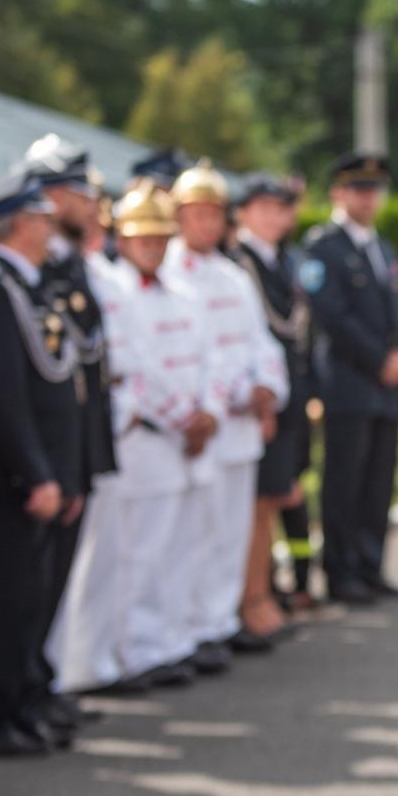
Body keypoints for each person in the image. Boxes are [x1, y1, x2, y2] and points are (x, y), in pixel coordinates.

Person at [0, 171, 84, 756]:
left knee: (28, 595)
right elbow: (1, 396)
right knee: (4, 599)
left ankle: (24, 700)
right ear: (23, 224)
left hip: (33, 470)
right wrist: (36, 474)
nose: (51, 228)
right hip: (7, 473)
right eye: (44, 218)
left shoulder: (19, 284)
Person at [101, 181, 222, 691]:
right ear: (123, 243)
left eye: (158, 238)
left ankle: (171, 641)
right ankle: (137, 650)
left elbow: (208, 359)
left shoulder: (188, 296)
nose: (151, 247)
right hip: (146, 441)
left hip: (185, 442)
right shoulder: (117, 295)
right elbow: (136, 370)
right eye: (141, 239)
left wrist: (208, 413)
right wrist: (182, 419)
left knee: (181, 548)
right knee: (140, 555)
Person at [165, 162, 289, 662]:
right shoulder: (169, 275)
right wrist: (230, 397)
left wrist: (266, 387)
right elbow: (189, 355)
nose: (207, 226)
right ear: (178, 217)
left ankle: (219, 621)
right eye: (197, 215)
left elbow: (261, 344)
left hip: (238, 429)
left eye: (214, 215)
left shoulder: (234, 276)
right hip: (198, 429)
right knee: (190, 535)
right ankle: (186, 629)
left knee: (229, 533)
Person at [16, 135, 118, 729]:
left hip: (71, 443)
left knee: (53, 579)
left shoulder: (66, 262)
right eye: (82, 194)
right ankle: (19, 688)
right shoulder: (33, 269)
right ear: (52, 196)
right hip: (37, 451)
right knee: (25, 581)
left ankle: (41, 681)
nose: (90, 206)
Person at [304, 153, 398, 605]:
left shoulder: (381, 247)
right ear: (338, 192)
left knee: (378, 483)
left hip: (385, 389)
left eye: (374, 190)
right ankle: (341, 571)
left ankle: (371, 567)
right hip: (350, 384)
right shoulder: (322, 246)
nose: (368, 198)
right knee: (344, 482)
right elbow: (332, 315)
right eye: (358, 189)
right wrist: (379, 360)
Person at [232, 173, 313, 629]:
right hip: (261, 400)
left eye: (280, 209)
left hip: (289, 395)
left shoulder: (284, 260)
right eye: (263, 207)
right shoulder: (238, 262)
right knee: (258, 503)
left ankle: (271, 590)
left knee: (281, 494)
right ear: (243, 213)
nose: (274, 217)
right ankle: (253, 597)